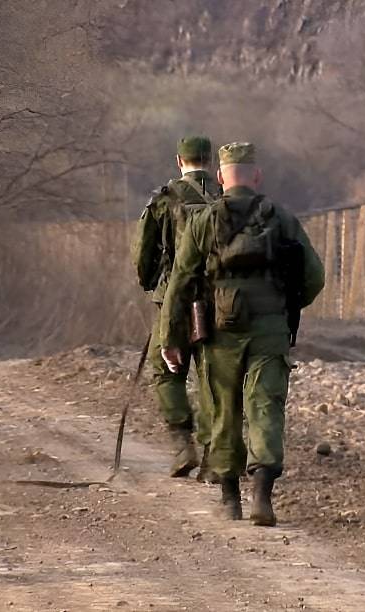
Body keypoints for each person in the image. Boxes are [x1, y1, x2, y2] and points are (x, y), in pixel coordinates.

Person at [158, 142, 324, 526]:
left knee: (223, 409)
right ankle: (263, 495)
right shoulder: (280, 218)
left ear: (220, 177)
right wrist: (286, 305)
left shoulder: (204, 221)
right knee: (265, 406)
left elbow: (180, 283)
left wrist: (171, 338)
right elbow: (315, 276)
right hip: (270, 331)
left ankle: (230, 499)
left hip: (219, 333)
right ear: (257, 176)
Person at [131, 135, 222, 480]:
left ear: (179, 161)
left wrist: (153, 284)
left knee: (165, 369)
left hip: (173, 298)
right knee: (213, 376)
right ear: (211, 162)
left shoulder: (164, 199)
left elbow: (143, 254)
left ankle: (183, 444)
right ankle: (215, 455)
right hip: (219, 300)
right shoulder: (226, 198)